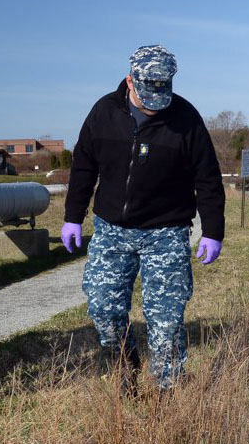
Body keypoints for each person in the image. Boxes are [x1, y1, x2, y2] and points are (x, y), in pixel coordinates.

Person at [61, 45, 225, 391]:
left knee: (166, 319)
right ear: (129, 82)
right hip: (111, 230)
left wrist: (213, 231)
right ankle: (126, 361)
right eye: (147, 95)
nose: (154, 104)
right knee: (103, 308)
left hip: (166, 232)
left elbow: (208, 178)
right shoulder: (103, 112)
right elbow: (83, 167)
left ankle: (168, 393)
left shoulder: (185, 119)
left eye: (161, 94)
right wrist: (73, 216)